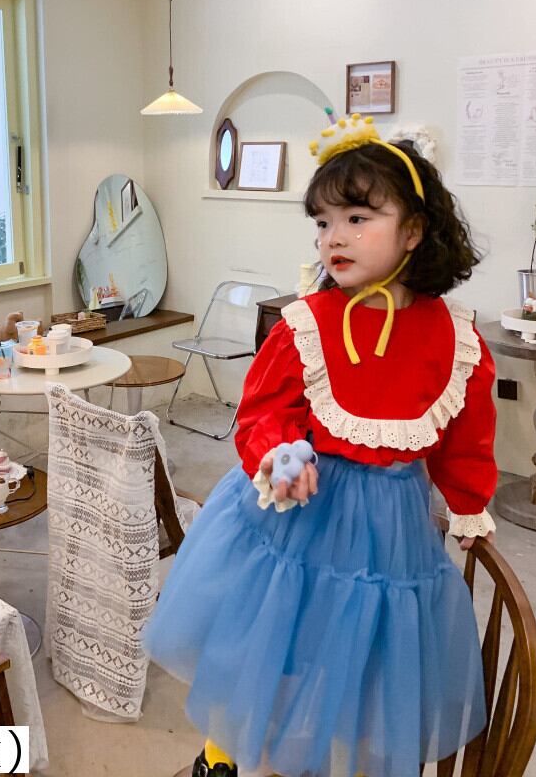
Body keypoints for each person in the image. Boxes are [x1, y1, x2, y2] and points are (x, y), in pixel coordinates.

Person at [144, 114, 497, 777]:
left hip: (392, 526)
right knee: (276, 639)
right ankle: (227, 753)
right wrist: (280, 452)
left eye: (358, 218)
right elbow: (261, 412)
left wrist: (469, 504)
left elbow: (465, 439)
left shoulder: (456, 337)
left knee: (368, 653)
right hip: (301, 514)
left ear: (414, 230)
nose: (334, 236)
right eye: (323, 222)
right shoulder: (305, 324)